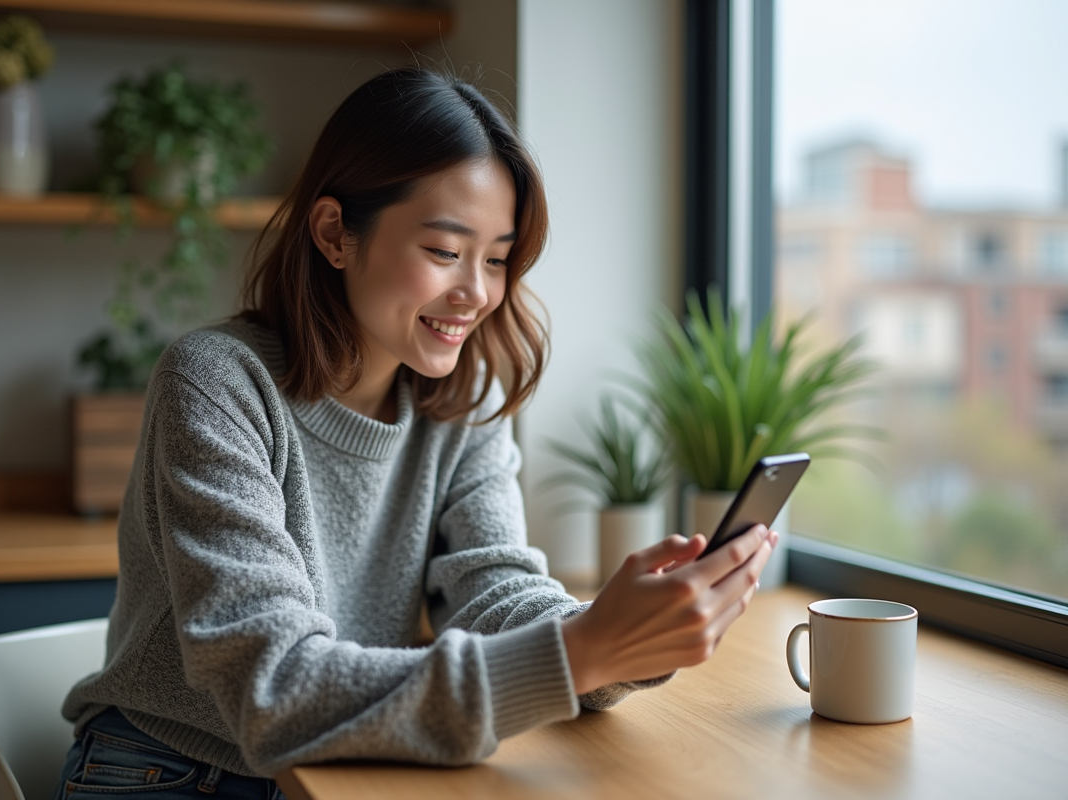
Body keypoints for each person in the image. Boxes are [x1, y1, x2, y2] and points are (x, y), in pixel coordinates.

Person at [56, 66, 777, 800]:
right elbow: (272, 692)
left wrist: (621, 638)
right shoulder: (216, 383)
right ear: (336, 233)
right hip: (173, 772)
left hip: (349, 766)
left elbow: (493, 589)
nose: (477, 293)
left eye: (497, 259)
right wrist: (577, 652)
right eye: (444, 251)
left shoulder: (464, 399)